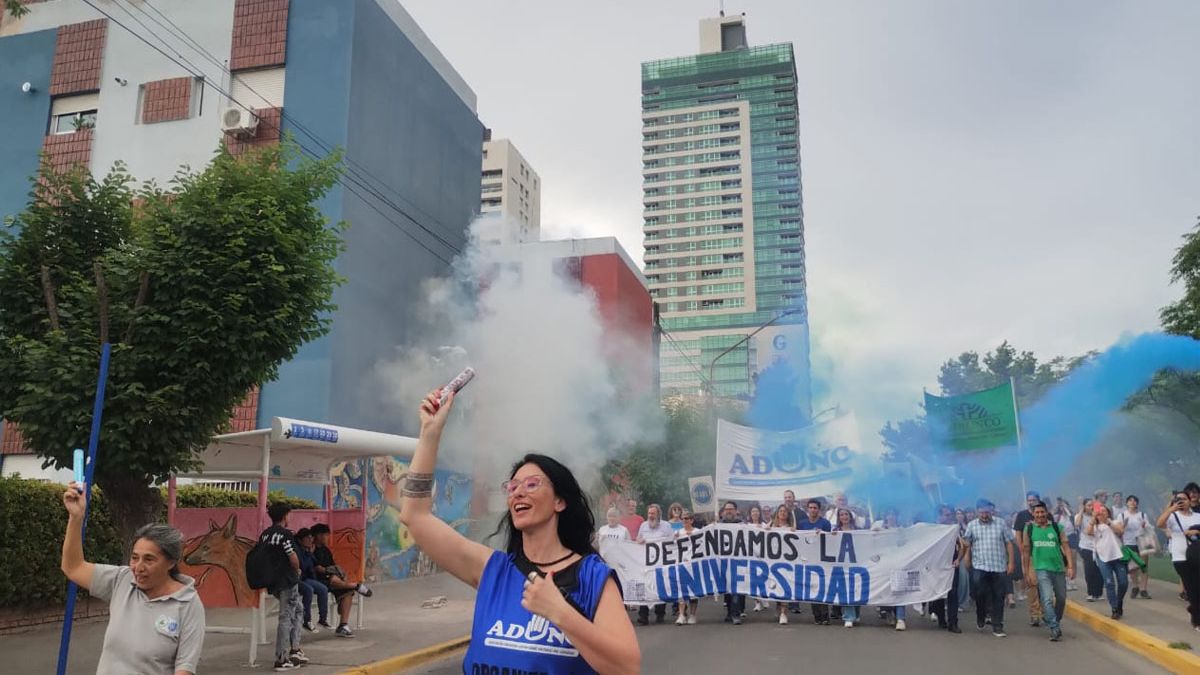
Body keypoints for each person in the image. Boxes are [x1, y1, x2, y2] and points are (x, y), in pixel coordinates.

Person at [398, 389, 640, 674]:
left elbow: (627, 667)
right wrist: (429, 433)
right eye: (512, 487)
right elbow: (415, 516)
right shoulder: (494, 570)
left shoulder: (592, 577)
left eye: (532, 484)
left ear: (560, 501)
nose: (518, 493)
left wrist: (560, 612)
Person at [60, 482, 205, 675]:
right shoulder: (121, 580)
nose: (138, 568)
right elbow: (73, 567)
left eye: (149, 559)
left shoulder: (188, 604)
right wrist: (76, 518)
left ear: (171, 562)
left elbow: (184, 669)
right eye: (135, 558)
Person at [257, 503, 306, 670]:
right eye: (289, 515)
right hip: (287, 580)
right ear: (285, 516)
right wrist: (297, 570)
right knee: (286, 616)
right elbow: (292, 556)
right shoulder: (285, 535)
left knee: (298, 609)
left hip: (273, 581)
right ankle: (282, 657)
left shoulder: (265, 535)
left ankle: (295, 648)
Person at [1021, 501, 1074, 642]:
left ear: (1047, 512)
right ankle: (1054, 627)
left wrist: (1070, 567)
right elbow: (1026, 551)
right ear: (1033, 514)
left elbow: (1066, 547)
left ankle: (1053, 619)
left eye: (1042, 512)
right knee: (1047, 598)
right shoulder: (1029, 529)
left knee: (1061, 599)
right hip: (1041, 569)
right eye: (1037, 512)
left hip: (1058, 568)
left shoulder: (1057, 527)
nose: (1040, 515)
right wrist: (1026, 571)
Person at [309, 523, 373, 637]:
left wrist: (333, 572)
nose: (326, 537)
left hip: (330, 578)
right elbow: (317, 568)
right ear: (317, 536)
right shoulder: (311, 549)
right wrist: (328, 571)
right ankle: (356, 586)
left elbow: (331, 566)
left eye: (327, 535)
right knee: (334, 581)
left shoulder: (326, 550)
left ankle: (343, 625)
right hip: (316, 579)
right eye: (324, 535)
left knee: (347, 592)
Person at [964, 498, 1016, 638]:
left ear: (991, 511)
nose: (984, 515)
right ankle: (981, 615)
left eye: (987, 512)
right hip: (979, 566)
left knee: (998, 596)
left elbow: (1009, 543)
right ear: (977, 512)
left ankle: (997, 625)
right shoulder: (972, 525)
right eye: (982, 513)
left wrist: (1011, 562)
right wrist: (966, 558)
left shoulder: (1001, 523)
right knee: (980, 593)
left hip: (998, 566)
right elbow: (967, 544)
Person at [1158, 490, 1200, 630]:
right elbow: (1160, 524)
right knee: (1191, 587)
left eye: (1184, 499)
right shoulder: (1172, 516)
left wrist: (1196, 532)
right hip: (1180, 556)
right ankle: (1197, 620)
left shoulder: (1197, 516)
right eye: (1178, 500)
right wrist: (1171, 509)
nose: (1181, 502)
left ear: (1190, 501)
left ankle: (1194, 609)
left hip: (1196, 554)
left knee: (1197, 586)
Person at [1087, 504, 1128, 620]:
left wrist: (1107, 522)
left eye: (1104, 512)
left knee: (1123, 582)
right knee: (1109, 583)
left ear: (1108, 513)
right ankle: (1114, 608)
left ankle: (1119, 601)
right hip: (1103, 557)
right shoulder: (1094, 526)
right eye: (1099, 512)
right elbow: (1088, 532)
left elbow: (1120, 531)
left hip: (1118, 556)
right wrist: (1093, 519)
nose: (1102, 514)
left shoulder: (1114, 522)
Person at [635, 504, 674, 625]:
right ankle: (643, 616)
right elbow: (638, 540)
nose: (651, 516)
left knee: (660, 587)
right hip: (646, 564)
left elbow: (672, 542)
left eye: (653, 514)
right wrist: (639, 541)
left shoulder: (666, 526)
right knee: (645, 588)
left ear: (658, 514)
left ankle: (660, 613)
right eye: (649, 514)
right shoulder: (643, 526)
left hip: (661, 563)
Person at [797, 498, 833, 625]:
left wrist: (823, 534)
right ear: (807, 509)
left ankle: (825, 615)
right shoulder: (802, 523)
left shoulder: (825, 523)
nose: (813, 510)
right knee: (812, 587)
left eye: (815, 508)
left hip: (822, 560)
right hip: (808, 559)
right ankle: (817, 616)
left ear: (819, 510)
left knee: (822, 587)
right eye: (810, 508)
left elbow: (832, 540)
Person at [1012, 491, 1044, 627]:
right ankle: (1035, 614)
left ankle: (1045, 612)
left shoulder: (1045, 514)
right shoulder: (1021, 515)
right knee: (1032, 585)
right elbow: (1018, 534)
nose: (1031, 502)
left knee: (1045, 585)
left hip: (1044, 554)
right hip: (1029, 555)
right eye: (1029, 500)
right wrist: (1022, 550)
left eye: (1033, 500)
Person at [929, 506, 963, 634]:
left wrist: (958, 559)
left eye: (950, 515)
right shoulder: (932, 530)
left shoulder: (954, 529)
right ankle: (941, 618)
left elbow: (962, 545)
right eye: (946, 515)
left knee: (953, 593)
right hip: (936, 566)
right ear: (939, 516)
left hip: (951, 564)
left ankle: (953, 622)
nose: (950, 517)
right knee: (939, 593)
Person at [294, 528, 331, 632]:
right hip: (298, 579)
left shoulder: (308, 550)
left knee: (323, 589)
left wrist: (311, 553)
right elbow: (303, 566)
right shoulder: (297, 551)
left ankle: (323, 619)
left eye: (311, 538)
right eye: (307, 538)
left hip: (306, 578)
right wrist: (309, 553)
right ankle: (306, 620)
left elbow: (314, 564)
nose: (311, 540)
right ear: (300, 540)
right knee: (308, 590)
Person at [717, 501, 747, 625]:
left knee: (736, 588)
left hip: (738, 561)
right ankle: (730, 612)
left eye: (731, 509)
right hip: (723, 561)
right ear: (723, 511)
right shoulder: (718, 525)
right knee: (727, 589)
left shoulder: (742, 525)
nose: (729, 511)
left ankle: (736, 614)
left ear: (736, 511)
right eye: (727, 509)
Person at [768, 506, 797, 624]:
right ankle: (778, 607)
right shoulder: (771, 525)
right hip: (773, 561)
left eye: (785, 511)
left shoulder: (792, 527)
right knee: (776, 586)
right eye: (781, 511)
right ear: (777, 513)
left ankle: (784, 613)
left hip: (787, 562)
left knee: (785, 586)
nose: (783, 513)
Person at [1120, 495, 1152, 599]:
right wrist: (1124, 524)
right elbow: (1119, 530)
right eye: (1130, 500)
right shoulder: (1122, 515)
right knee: (1132, 566)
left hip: (1142, 541)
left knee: (1143, 565)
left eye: (1134, 501)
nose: (1132, 502)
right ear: (1127, 503)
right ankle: (1135, 586)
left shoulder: (1142, 515)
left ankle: (1143, 589)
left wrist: (1144, 525)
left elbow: (1149, 527)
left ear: (1137, 503)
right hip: (1129, 542)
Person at [675, 510, 701, 625]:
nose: (684, 520)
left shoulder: (698, 532)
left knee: (694, 591)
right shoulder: (678, 533)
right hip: (681, 565)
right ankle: (681, 615)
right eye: (683, 518)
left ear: (691, 520)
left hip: (694, 565)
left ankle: (693, 615)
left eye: (687, 518)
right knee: (682, 591)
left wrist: (694, 537)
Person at [1075, 498, 1104, 602]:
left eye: (1092, 505)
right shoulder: (1080, 516)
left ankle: (1099, 592)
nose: (1090, 507)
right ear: (1084, 506)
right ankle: (1091, 592)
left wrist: (1096, 513)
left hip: (1098, 546)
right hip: (1086, 546)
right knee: (1089, 570)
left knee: (1099, 569)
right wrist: (1081, 511)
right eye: (1088, 505)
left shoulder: (1097, 516)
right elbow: (1077, 524)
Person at [1054, 498, 1079, 591]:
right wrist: (1058, 506)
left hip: (1072, 537)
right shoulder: (1057, 517)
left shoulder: (1071, 516)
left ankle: (1073, 580)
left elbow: (1076, 521)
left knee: (1073, 559)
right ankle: (1066, 579)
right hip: (1062, 538)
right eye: (1061, 506)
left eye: (1064, 505)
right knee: (1065, 560)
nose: (1063, 507)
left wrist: (1066, 508)